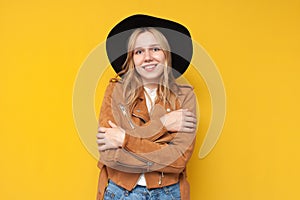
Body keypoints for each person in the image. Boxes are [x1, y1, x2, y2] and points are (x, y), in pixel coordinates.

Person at [96, 14, 197, 200]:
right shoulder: (115, 91)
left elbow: (177, 161)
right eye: (139, 52)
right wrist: (164, 125)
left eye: (155, 49)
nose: (148, 57)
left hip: (169, 193)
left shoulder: (185, 96)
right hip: (120, 192)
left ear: (166, 54)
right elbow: (110, 157)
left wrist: (125, 139)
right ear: (132, 59)